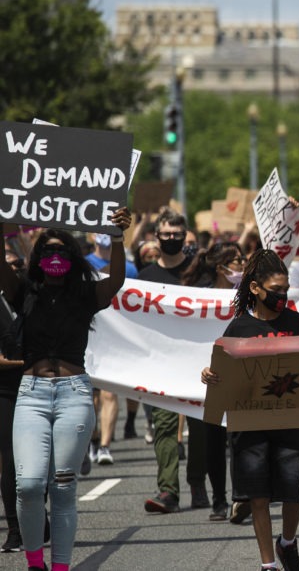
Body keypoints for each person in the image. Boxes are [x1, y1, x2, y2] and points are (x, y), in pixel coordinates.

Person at [0, 207, 133, 571]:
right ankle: (34, 561)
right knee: (27, 486)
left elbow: (117, 281)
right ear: (38, 259)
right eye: (47, 251)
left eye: (61, 250)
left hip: (74, 395)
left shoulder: (85, 294)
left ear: (72, 258)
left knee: (62, 487)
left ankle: (59, 566)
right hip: (32, 395)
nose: (54, 257)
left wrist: (118, 237)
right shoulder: (23, 292)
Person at [201, 248, 299, 571]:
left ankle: (287, 543)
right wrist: (209, 375)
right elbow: (223, 370)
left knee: (293, 489)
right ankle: (268, 563)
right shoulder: (239, 328)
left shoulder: (296, 322)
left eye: (286, 290)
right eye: (275, 291)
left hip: (289, 420)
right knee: (257, 494)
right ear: (256, 288)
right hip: (250, 423)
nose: (282, 296)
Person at [182, 242, 247, 522]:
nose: (243, 265)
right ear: (221, 268)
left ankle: (241, 498)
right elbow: (189, 339)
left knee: (241, 440)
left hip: (242, 376)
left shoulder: (247, 296)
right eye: (237, 261)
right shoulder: (200, 298)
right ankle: (219, 499)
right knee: (214, 441)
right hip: (210, 379)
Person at [139, 210, 196, 514]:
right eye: (166, 234)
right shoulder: (146, 277)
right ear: (157, 237)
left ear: (186, 236)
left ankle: (201, 488)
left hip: (199, 363)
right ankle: (168, 491)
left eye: (177, 234)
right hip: (161, 364)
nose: (172, 239)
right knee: (164, 426)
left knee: (204, 427)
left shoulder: (198, 272)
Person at [85, 232, 141, 465]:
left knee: (109, 393)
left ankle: (105, 446)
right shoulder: (84, 264)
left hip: (116, 339)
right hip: (90, 336)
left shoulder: (130, 269)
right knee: (92, 396)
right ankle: (92, 439)